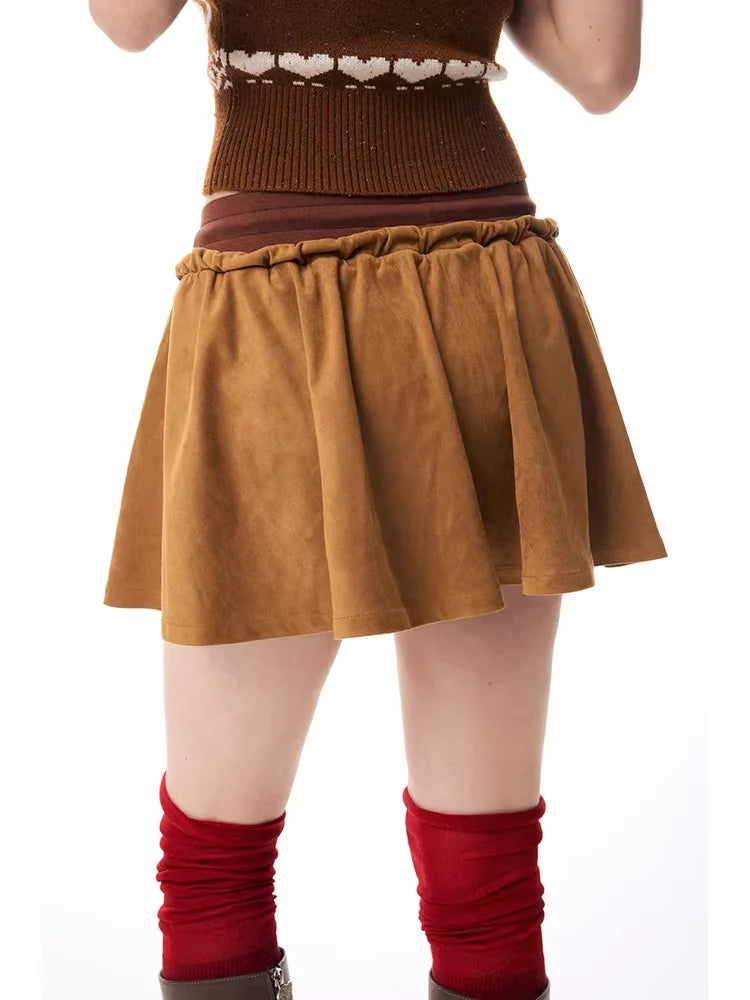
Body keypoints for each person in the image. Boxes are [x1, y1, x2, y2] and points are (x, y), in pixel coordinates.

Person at [92, 1, 666, 998]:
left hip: (274, 301)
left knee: (215, 862)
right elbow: (601, 69)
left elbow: (127, 19)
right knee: (488, 874)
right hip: (479, 285)